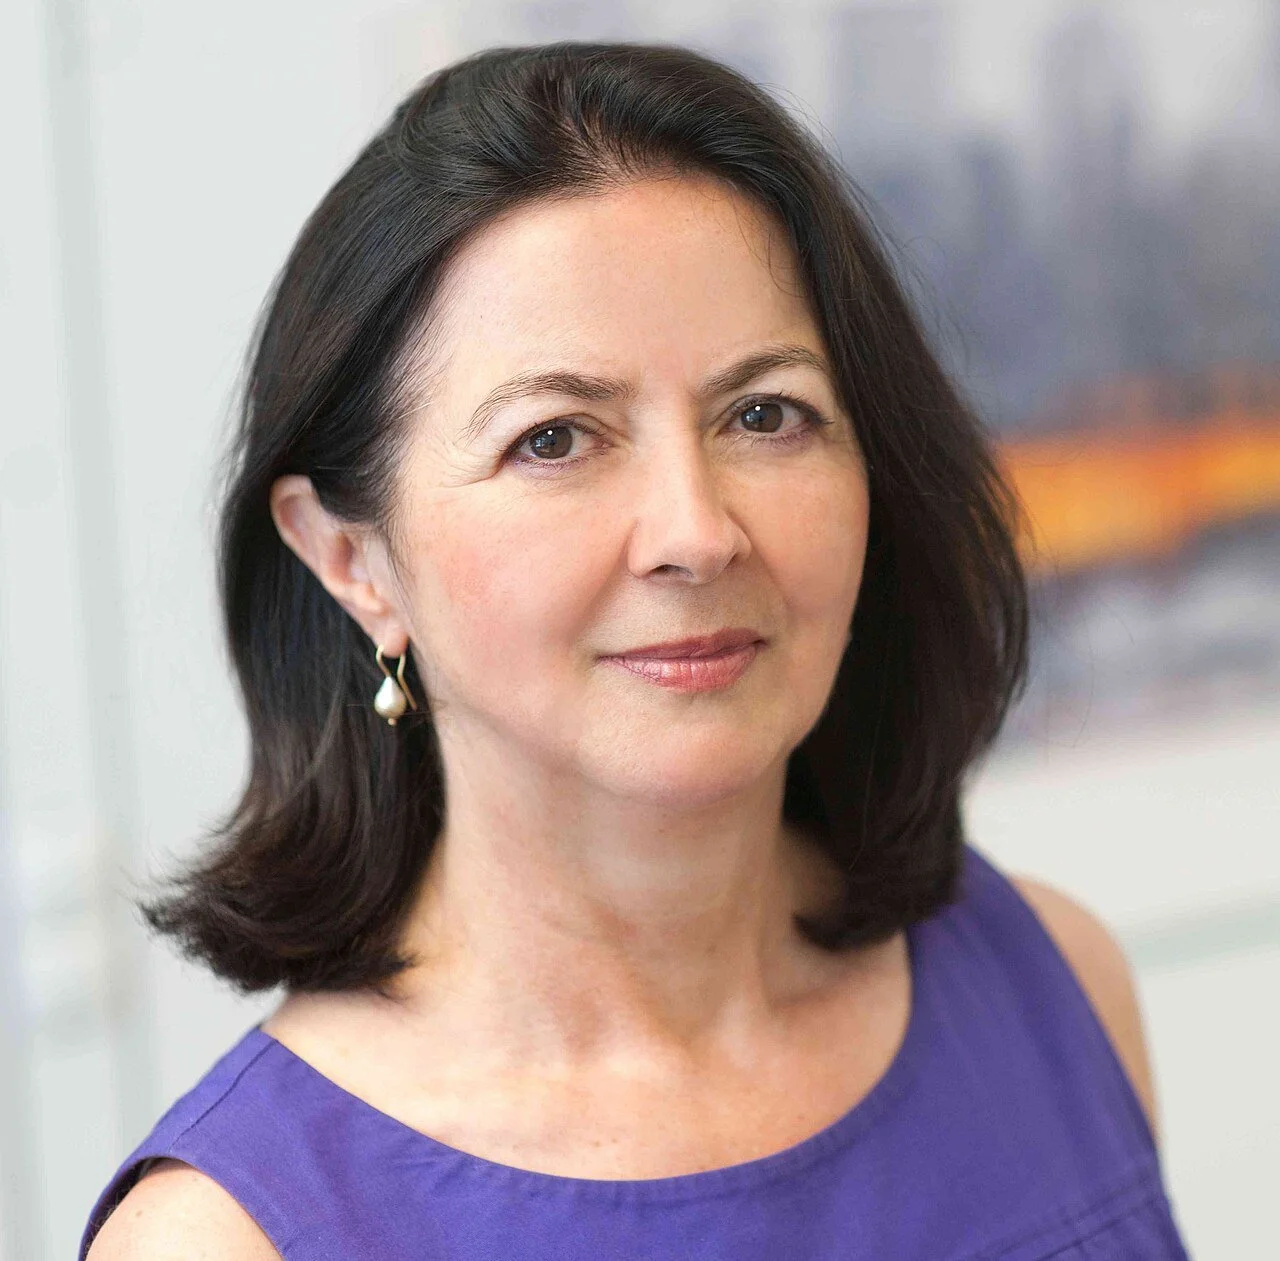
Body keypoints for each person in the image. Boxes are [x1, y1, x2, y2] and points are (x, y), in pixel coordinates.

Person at [81, 41, 1191, 1260]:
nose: (696, 532)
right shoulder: (228, 1237)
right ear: (352, 559)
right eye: (554, 438)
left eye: (764, 415)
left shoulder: (1057, 990)